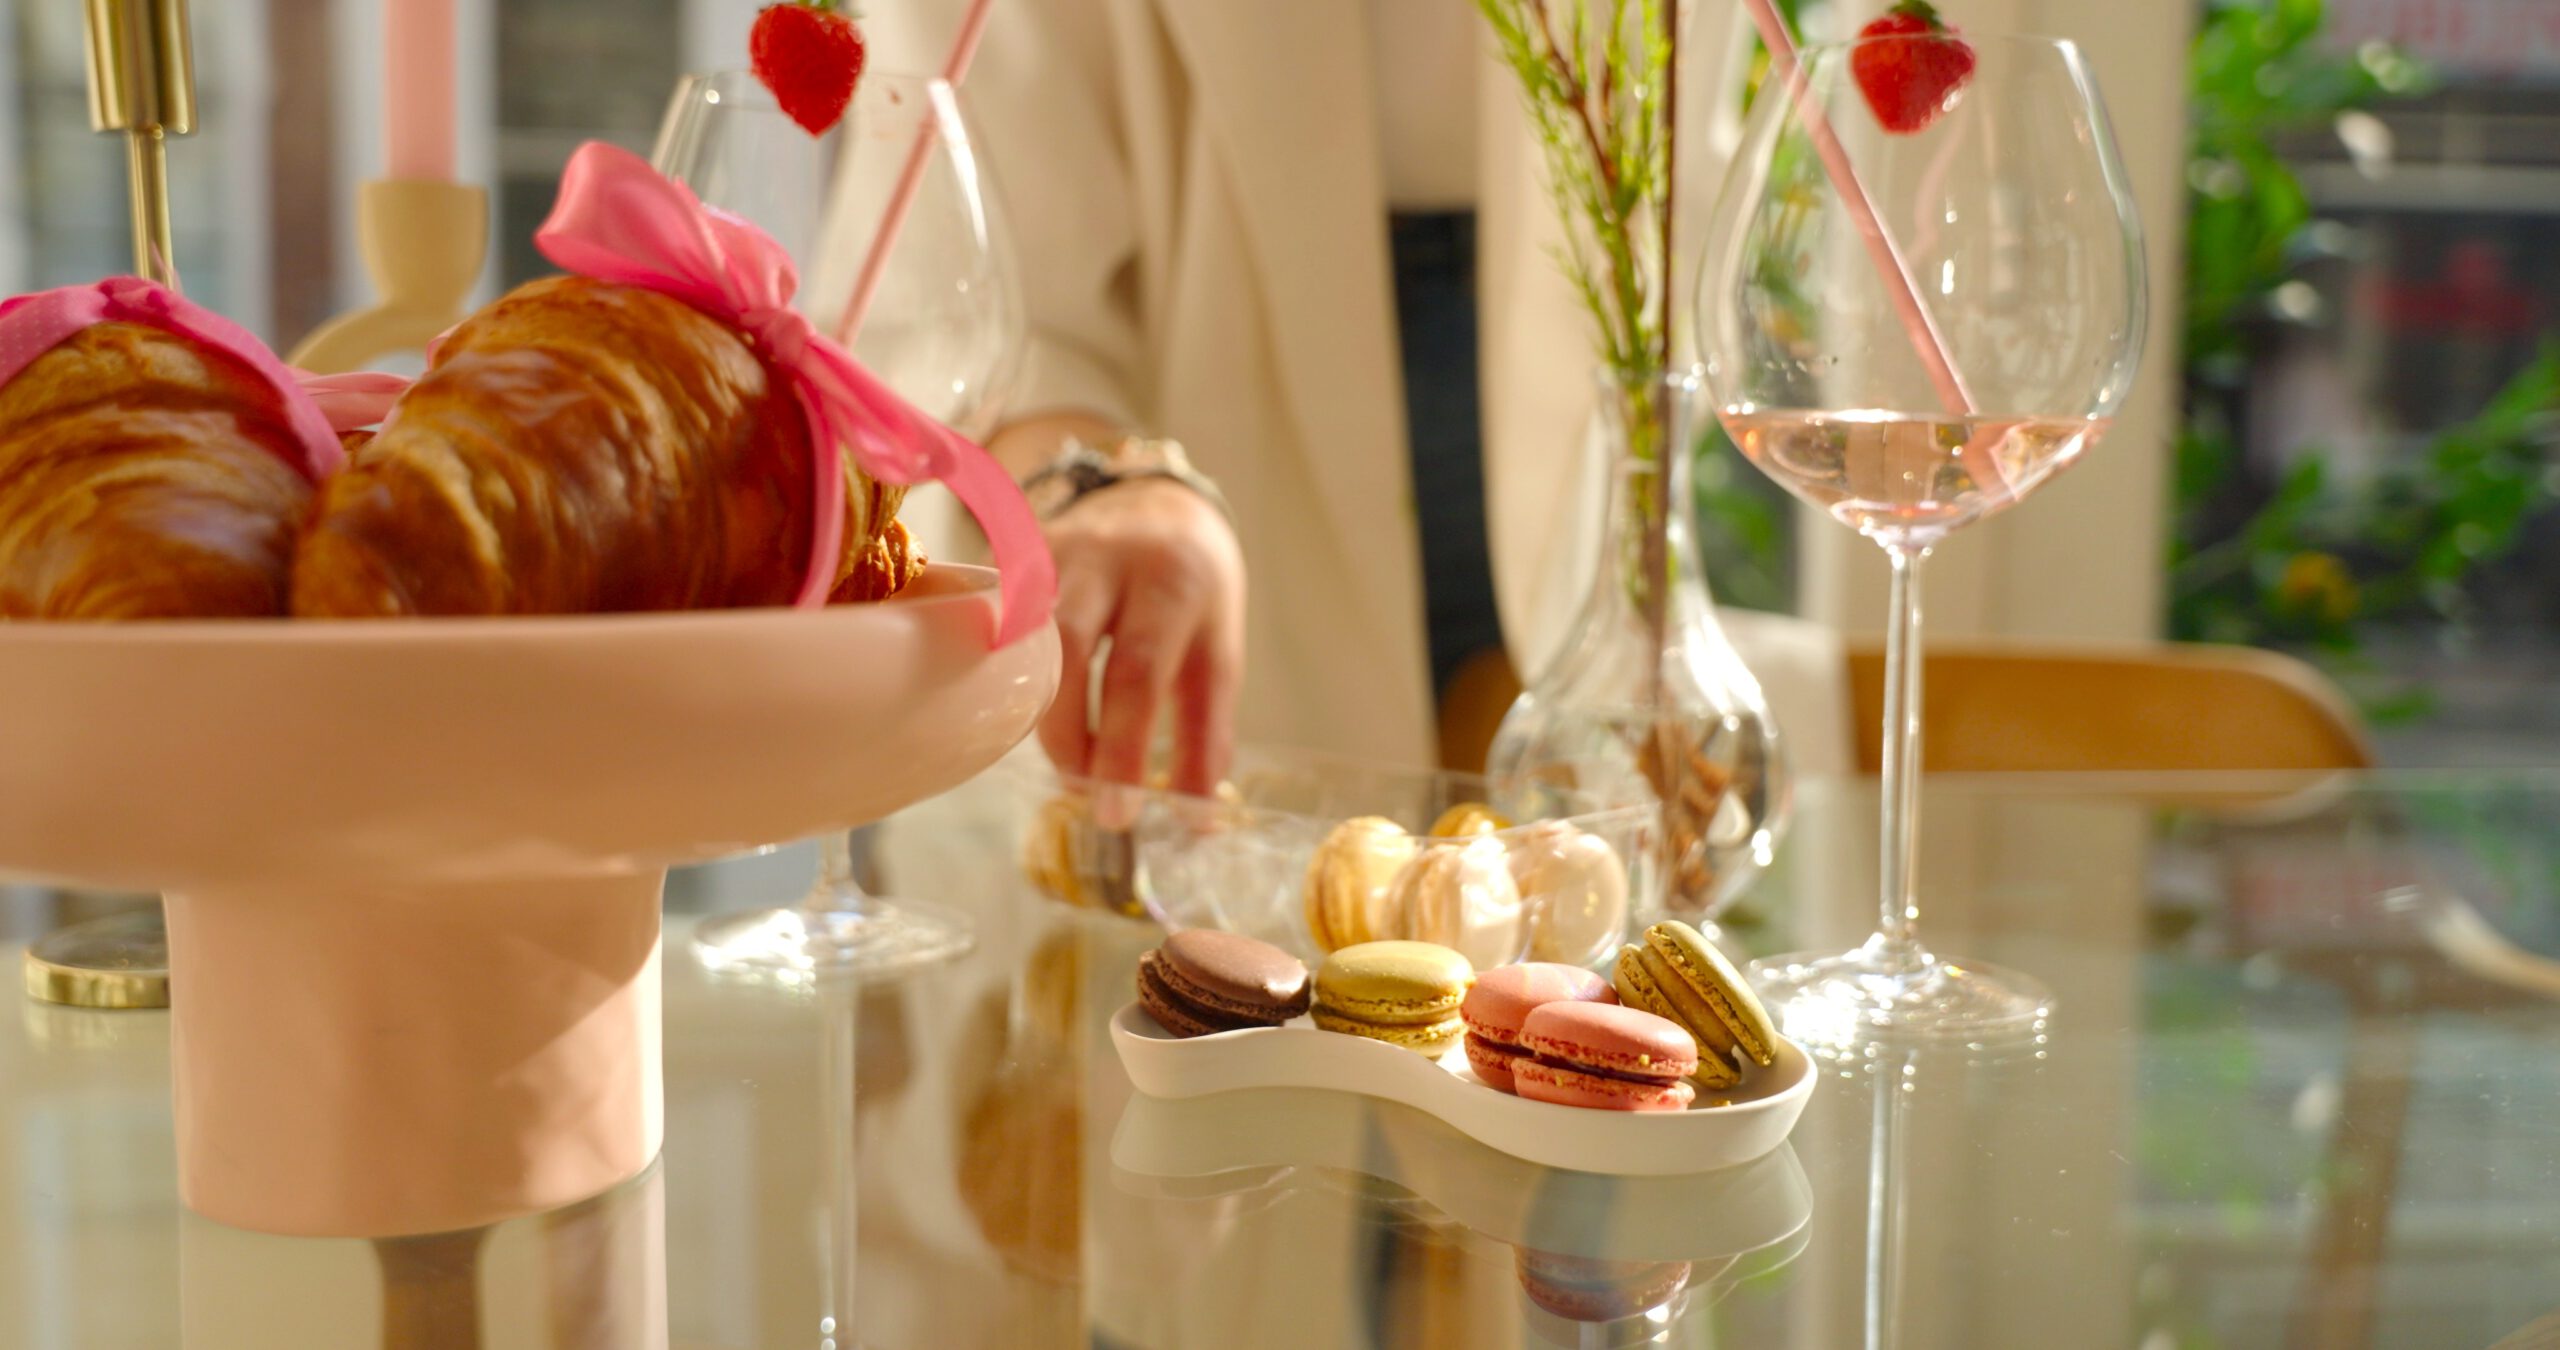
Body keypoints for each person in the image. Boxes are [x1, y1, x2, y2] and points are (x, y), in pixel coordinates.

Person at [872, 0, 1759, 794]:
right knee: (1232, 865)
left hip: (1566, 403)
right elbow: (979, 288)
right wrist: (1106, 481)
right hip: (1194, 407)